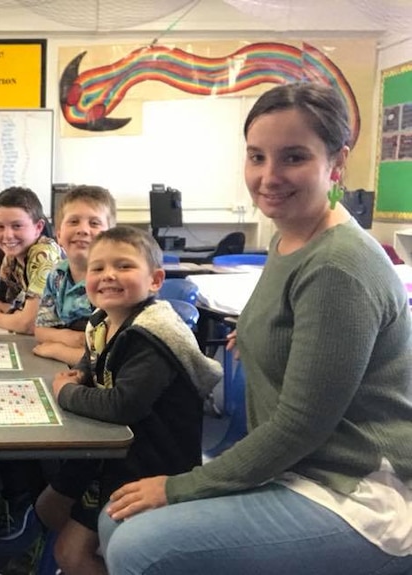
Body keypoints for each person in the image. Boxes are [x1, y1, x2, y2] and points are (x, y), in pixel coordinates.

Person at [98, 83, 412, 574]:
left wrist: (177, 487)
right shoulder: (292, 238)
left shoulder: (339, 265)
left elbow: (299, 427)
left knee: (137, 547)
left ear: (337, 160)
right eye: (256, 156)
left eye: (293, 157)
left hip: (354, 491)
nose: (268, 177)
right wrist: (257, 333)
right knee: (115, 521)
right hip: (301, 469)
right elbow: (293, 321)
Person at [41, 226, 221, 574]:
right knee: (50, 506)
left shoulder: (149, 337)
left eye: (123, 266)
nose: (108, 275)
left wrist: (67, 392)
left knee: (71, 553)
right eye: (98, 268)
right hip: (110, 450)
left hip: (147, 464)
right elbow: (94, 362)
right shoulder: (101, 322)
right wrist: (80, 375)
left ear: (154, 280)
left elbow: (123, 405)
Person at [34, 185, 116, 366]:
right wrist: (70, 337)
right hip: (66, 369)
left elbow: (109, 359)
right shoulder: (56, 275)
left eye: (94, 223)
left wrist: (58, 349)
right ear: (59, 235)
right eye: (73, 221)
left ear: (110, 236)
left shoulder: (113, 283)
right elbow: (41, 331)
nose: (83, 230)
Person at [0, 187, 62, 334]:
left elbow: (29, 325)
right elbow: (1, 305)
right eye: (0, 226)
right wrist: (15, 315)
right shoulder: (11, 256)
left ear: (38, 228)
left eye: (17, 226)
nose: (7, 236)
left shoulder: (43, 255)